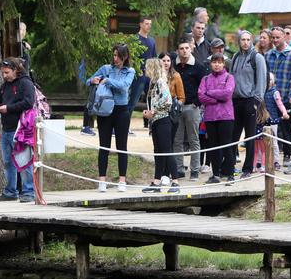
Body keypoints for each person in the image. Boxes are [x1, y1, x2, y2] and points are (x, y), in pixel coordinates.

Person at [88, 43, 135, 192]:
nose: (115, 58)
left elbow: (123, 86)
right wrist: (92, 81)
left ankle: (122, 180)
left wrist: (107, 81)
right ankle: (102, 180)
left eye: (118, 56)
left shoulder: (130, 71)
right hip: (105, 111)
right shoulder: (106, 68)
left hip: (121, 111)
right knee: (104, 146)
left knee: (122, 147)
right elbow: (89, 80)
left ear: (125, 57)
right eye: (114, 55)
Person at [0, 57, 36, 201]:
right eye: (3, 73)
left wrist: (8, 108)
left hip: (21, 129)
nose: (4, 76)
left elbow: (29, 102)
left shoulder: (26, 83)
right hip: (6, 128)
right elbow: (3, 100)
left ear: (16, 70)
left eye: (7, 72)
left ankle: (28, 191)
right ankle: (11, 191)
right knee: (8, 162)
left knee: (24, 160)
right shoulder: (4, 86)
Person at [265, 27, 291, 167]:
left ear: (284, 37)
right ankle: (270, 157)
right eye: (273, 38)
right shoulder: (268, 55)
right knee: (270, 127)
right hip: (269, 98)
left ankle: (287, 154)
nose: (275, 40)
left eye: (278, 37)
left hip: (286, 97)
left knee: (286, 128)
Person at [230, 30, 267, 177]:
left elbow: (262, 81)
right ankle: (230, 165)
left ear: (251, 41)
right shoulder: (235, 57)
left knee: (250, 136)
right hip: (236, 100)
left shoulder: (256, 57)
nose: (245, 42)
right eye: (242, 40)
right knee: (233, 136)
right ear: (239, 41)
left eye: (248, 39)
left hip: (250, 100)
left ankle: (247, 168)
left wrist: (257, 101)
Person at [141, 57, 180, 193]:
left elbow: (167, 100)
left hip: (163, 120)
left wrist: (153, 110)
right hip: (155, 122)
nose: (145, 69)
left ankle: (175, 181)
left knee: (166, 150)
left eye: (147, 66)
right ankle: (157, 181)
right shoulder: (153, 83)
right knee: (158, 151)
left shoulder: (160, 82)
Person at [199, 53, 236, 183]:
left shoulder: (229, 77)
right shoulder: (205, 79)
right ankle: (215, 175)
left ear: (223, 64)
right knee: (213, 146)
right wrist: (215, 99)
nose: (217, 64)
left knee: (226, 145)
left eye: (219, 62)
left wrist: (210, 93)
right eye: (215, 62)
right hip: (210, 117)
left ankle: (230, 173)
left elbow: (227, 94)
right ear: (211, 64)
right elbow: (200, 95)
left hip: (226, 116)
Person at [172, 39, 206, 179]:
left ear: (190, 49)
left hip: (192, 106)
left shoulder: (198, 66)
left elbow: (204, 86)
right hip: (177, 107)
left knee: (194, 140)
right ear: (178, 51)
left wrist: (197, 102)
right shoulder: (174, 66)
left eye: (187, 48)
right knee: (177, 140)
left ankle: (195, 170)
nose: (184, 50)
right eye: (181, 48)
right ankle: (179, 169)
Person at [129, 16, 156, 123]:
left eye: (150, 24)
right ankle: (125, 125)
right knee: (133, 100)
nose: (149, 26)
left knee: (152, 101)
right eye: (146, 23)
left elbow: (154, 58)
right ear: (141, 24)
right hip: (138, 75)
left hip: (149, 75)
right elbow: (131, 57)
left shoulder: (152, 40)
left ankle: (151, 125)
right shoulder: (135, 39)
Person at [263, 75, 290, 172]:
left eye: (270, 79)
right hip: (262, 120)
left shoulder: (275, 92)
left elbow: (280, 104)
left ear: (273, 81)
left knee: (274, 142)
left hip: (273, 119)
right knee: (262, 142)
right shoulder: (261, 91)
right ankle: (263, 162)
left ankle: (276, 161)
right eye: (266, 78)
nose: (268, 81)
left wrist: (284, 113)